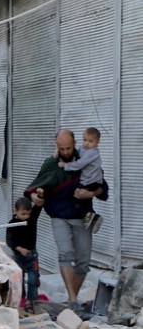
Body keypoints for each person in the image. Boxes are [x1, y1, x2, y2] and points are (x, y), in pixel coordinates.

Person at [25, 129, 108, 311]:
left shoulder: (86, 158)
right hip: (59, 217)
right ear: (57, 147)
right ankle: (71, 299)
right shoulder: (51, 163)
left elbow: (103, 188)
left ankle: (72, 300)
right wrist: (35, 198)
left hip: (82, 217)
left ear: (74, 143)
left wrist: (91, 193)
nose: (65, 152)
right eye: (61, 148)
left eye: (68, 148)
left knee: (83, 262)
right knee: (65, 254)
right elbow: (34, 187)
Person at [58, 127, 103, 233]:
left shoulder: (92, 152)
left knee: (77, 196)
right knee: (85, 200)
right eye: (85, 140)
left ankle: (92, 216)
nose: (87, 143)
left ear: (98, 142)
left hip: (91, 181)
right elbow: (77, 151)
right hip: (88, 180)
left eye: (90, 141)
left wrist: (65, 165)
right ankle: (92, 217)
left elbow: (80, 164)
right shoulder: (84, 148)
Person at [6, 195, 43, 313]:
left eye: (28, 214)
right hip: (18, 258)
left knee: (33, 280)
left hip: (32, 257)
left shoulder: (31, 220)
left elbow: (38, 207)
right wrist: (19, 248)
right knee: (19, 280)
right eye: (23, 214)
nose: (26, 217)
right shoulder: (12, 224)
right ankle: (21, 299)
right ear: (15, 211)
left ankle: (30, 301)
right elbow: (9, 241)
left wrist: (40, 195)